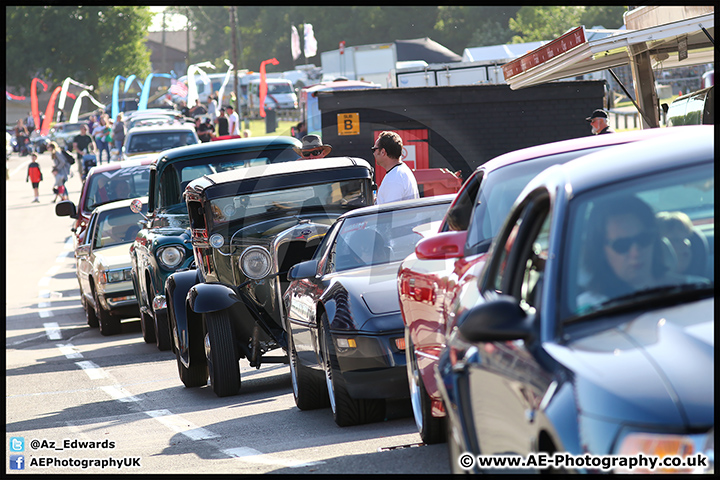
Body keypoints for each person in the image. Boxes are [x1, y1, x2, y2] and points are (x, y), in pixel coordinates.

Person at [577, 195, 696, 311]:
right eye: (622, 245)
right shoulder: (590, 308)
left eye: (644, 239)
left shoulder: (697, 288)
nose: (636, 252)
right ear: (600, 250)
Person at [373, 131, 419, 204]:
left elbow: (391, 213)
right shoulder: (400, 171)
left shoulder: (394, 178)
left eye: (374, 149)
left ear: (383, 152)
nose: (373, 153)